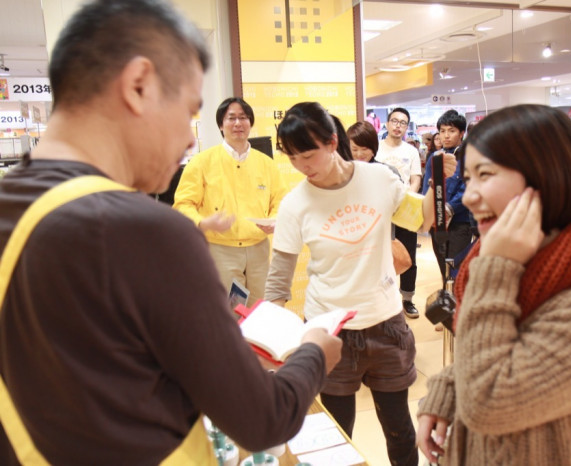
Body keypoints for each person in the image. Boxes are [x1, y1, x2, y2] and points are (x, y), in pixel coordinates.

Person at [0, 1, 341, 464]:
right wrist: (314, 353)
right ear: (138, 85)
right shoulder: (147, 231)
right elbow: (264, 419)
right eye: (188, 112)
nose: (188, 139)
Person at [416, 104, 571, 465]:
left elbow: (490, 403)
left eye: (486, 175)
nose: (469, 196)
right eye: (469, 178)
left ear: (548, 175)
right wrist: (445, 392)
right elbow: (488, 348)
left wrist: (495, 270)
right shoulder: (515, 258)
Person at [266, 102, 456, 466]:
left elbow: (421, 221)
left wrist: (437, 182)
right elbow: (278, 284)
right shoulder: (295, 205)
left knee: (400, 429)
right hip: (330, 329)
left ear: (331, 141)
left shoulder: (378, 178)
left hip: (386, 323)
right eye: (292, 158)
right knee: (337, 435)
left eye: (308, 154)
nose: (302, 166)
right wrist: (275, 343)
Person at [173, 97, 288, 304]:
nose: (238, 123)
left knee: (262, 308)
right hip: (220, 249)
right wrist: (202, 223)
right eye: (231, 118)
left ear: (250, 123)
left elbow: (280, 199)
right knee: (228, 309)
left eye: (243, 118)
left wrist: (275, 219)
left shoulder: (266, 163)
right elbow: (183, 204)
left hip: (258, 248)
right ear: (221, 125)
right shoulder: (201, 162)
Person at [375, 107, 423, 318]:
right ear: (387, 124)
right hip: (379, 210)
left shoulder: (411, 151)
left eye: (403, 123)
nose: (398, 126)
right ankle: (382, 299)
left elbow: (416, 179)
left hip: (404, 211)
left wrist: (406, 200)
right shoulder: (376, 148)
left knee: (408, 255)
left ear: (406, 127)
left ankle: (407, 299)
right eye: (394, 121)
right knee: (380, 255)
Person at [422, 110, 475, 279]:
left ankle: (456, 295)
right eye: (442, 131)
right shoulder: (434, 157)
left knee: (456, 268)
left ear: (461, 133)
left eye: (451, 131)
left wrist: (449, 208)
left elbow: (468, 187)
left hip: (460, 221)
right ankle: (446, 293)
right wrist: (430, 212)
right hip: (437, 221)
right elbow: (427, 187)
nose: (446, 135)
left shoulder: (469, 156)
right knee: (442, 265)